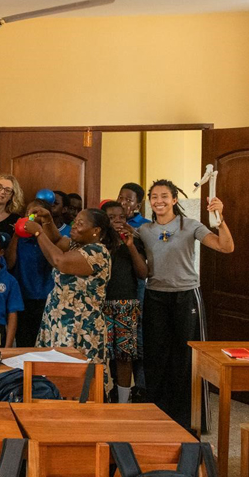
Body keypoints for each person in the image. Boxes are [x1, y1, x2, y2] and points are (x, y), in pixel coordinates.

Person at [138, 180, 233, 429]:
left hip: (186, 296)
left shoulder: (190, 225)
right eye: (154, 197)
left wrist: (219, 218)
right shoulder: (144, 230)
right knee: (156, 358)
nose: (159, 201)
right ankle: (158, 417)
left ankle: (192, 419)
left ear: (175, 200)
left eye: (164, 196)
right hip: (155, 297)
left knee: (188, 358)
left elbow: (226, 246)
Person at [24, 206, 116, 388]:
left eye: (80, 224)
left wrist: (38, 233)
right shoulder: (79, 246)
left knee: (76, 380)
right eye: (75, 222)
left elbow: (60, 261)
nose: (74, 226)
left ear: (96, 231)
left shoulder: (97, 252)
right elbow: (57, 241)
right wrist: (48, 220)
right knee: (54, 375)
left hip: (79, 326)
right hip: (59, 321)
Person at [101, 201, 147, 403]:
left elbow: (143, 273)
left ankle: (122, 401)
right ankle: (99, 396)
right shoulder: (97, 243)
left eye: (121, 217)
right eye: (111, 218)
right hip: (100, 305)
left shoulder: (133, 242)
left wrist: (130, 246)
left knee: (124, 356)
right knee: (99, 354)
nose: (117, 221)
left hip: (126, 304)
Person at [5, 199, 53, 347]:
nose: (31, 217)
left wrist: (39, 233)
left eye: (35, 214)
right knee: (24, 343)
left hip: (46, 299)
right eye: (28, 214)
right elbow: (9, 263)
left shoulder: (48, 239)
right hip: (23, 298)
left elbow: (54, 259)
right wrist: (16, 236)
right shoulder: (18, 241)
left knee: (44, 344)